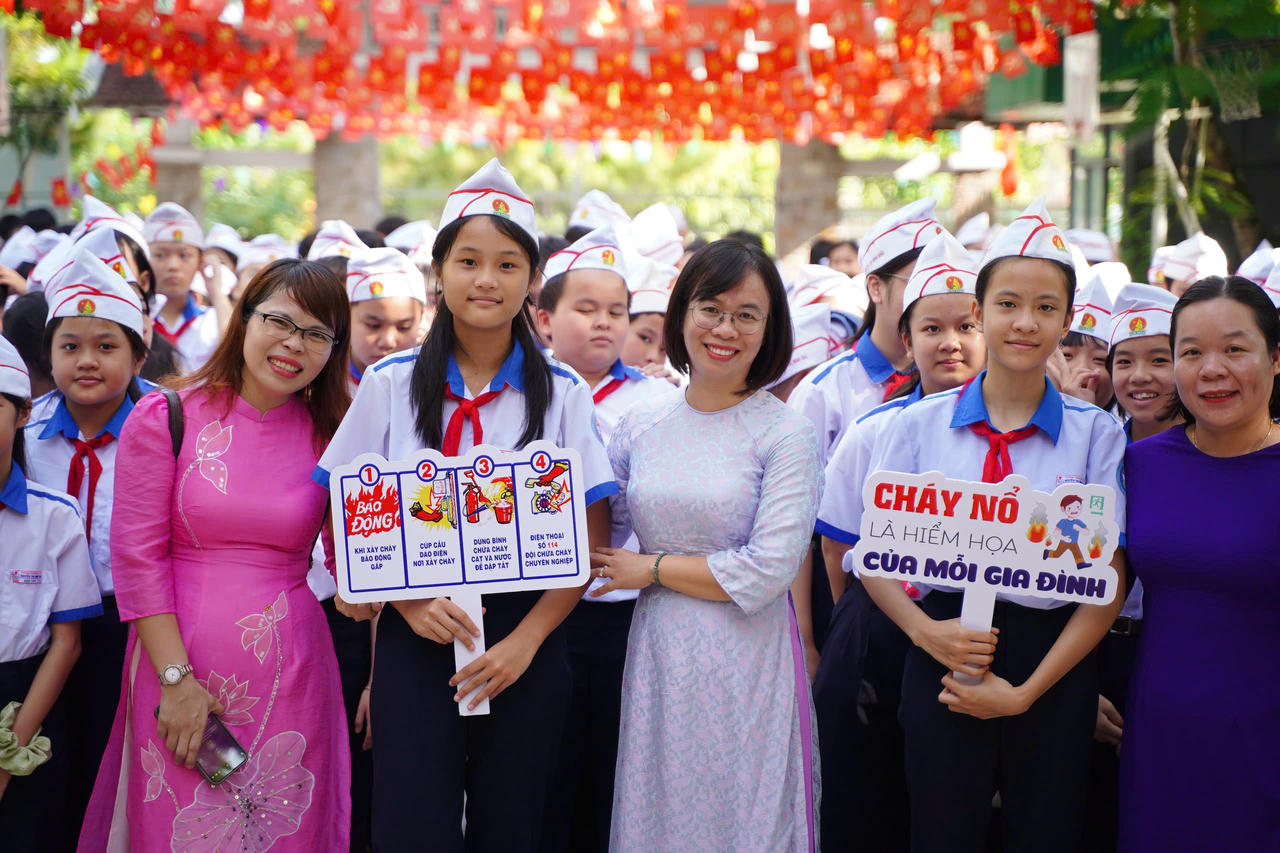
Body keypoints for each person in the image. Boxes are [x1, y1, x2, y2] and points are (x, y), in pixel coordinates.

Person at [316, 159, 615, 853]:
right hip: (415, 633)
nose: (487, 279)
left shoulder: (566, 392)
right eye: (469, 260)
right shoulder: (389, 386)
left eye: (508, 264)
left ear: (532, 279)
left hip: (526, 640)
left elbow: (586, 543)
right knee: (410, 823)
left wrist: (526, 643)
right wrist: (402, 602)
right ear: (439, 271)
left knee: (515, 825)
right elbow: (342, 506)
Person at [861, 198, 1127, 853]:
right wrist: (926, 632)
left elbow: (1108, 579)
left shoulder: (1097, 435)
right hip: (944, 649)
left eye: (1045, 307)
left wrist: (1028, 692)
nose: (1024, 322)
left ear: (1068, 319)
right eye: (1007, 303)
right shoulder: (917, 425)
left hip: (1053, 662)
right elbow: (874, 556)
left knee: (1048, 832)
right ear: (979, 312)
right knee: (941, 830)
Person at [78, 258, 353, 851]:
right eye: (280, 321)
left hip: (295, 675)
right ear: (244, 317)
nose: (292, 344)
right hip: (177, 670)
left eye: (316, 333)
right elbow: (137, 559)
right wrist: (176, 683)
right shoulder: (168, 416)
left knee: (282, 830)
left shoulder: (334, 435)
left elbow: (354, 568)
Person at [594, 238, 821, 852]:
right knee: (658, 809)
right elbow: (596, 541)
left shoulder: (787, 432)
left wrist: (655, 569)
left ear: (770, 328)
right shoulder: (641, 424)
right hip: (661, 654)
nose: (727, 328)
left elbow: (767, 570)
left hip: (748, 659)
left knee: (747, 815)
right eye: (710, 309)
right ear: (680, 314)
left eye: (747, 315)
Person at [814, 229, 985, 853]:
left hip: (973, 640)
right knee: (866, 801)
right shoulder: (872, 429)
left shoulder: (1015, 441)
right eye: (931, 329)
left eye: (967, 326)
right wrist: (853, 636)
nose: (951, 343)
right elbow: (836, 548)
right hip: (877, 634)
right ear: (906, 341)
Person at [1119, 275, 1280, 852]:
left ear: (1276, 357)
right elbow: (1094, 592)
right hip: (1159, 735)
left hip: (1267, 741)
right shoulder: (1138, 464)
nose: (1212, 369)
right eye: (1191, 352)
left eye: (1235, 349)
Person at [534, 226, 671, 853]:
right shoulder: (526, 393)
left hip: (626, 608)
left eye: (617, 312)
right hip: (540, 611)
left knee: (615, 764)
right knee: (546, 766)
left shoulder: (659, 401)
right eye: (584, 309)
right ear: (544, 318)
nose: (603, 324)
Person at [22, 248, 150, 839]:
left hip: (134, 625)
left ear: (139, 354)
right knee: (49, 764)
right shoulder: (24, 434)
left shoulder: (167, 428)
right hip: (42, 632)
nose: (87, 362)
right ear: (48, 357)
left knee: (121, 762)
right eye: (69, 346)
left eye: (107, 346)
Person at [1080, 283, 1180, 853]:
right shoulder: (1094, 452)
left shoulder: (1211, 458)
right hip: (1097, 654)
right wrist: (1080, 689)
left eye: (1160, 359)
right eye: (1125, 361)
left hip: (1173, 654)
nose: (1140, 376)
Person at [0, 336, 102, 851]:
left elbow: (67, 643)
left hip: (28, 701)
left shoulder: (54, 515)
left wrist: (9, 752)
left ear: (22, 415)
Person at [788, 198, 942, 468]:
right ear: (875, 287)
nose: (931, 295)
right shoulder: (823, 392)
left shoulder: (955, 382)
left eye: (941, 283)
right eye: (919, 281)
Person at [145, 203, 228, 372]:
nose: (173, 265)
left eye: (184, 255)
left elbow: (236, 350)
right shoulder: (136, 318)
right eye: (160, 255)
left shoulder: (211, 321)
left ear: (200, 261)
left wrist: (217, 293)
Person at [343, 247, 427, 392]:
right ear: (347, 314)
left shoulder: (433, 384)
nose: (388, 342)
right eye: (374, 325)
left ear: (420, 318)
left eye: (404, 327)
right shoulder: (318, 381)